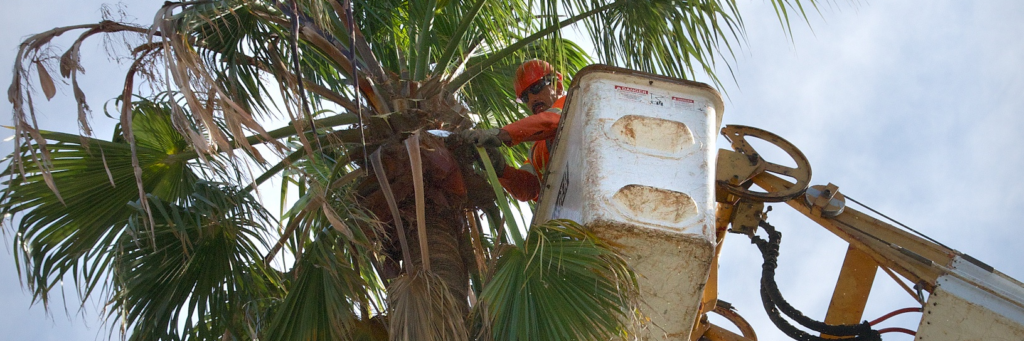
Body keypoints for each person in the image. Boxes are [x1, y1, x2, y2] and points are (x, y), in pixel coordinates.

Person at [461, 59, 566, 201]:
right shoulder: (536, 151)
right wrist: (500, 169)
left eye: (536, 88)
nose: (532, 99)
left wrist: (499, 133)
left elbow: (551, 122)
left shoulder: (572, 104)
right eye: (525, 97)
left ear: (557, 85)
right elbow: (529, 189)